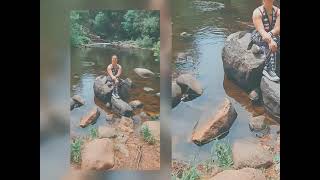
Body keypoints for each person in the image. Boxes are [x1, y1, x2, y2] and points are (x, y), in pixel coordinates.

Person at [251, 0, 280, 82]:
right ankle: (268, 68)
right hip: (259, 35)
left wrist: (270, 36)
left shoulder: (278, 12)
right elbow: (261, 31)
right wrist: (271, 41)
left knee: (274, 40)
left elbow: (277, 29)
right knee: (272, 42)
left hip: (272, 35)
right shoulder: (257, 12)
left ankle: (260, 49)